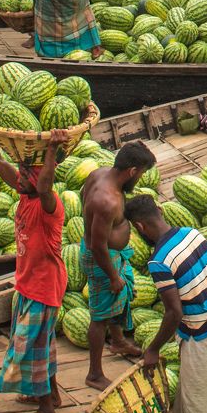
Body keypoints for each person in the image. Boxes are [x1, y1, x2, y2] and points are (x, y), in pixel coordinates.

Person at [125, 195, 207, 413]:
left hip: (206, 332)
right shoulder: (192, 233)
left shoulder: (159, 261)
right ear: (160, 211)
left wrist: (153, 349)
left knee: (204, 404)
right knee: (192, 390)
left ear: (139, 227)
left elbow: (174, 312)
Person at [0, 128, 69, 413]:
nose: (18, 178)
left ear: (36, 180)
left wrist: (51, 151)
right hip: (28, 283)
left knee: (33, 349)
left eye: (24, 174)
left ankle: (47, 412)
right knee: (42, 344)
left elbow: (47, 183)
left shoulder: (49, 206)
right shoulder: (25, 194)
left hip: (44, 286)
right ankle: (54, 397)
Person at [79, 141, 157, 390]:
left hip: (113, 255)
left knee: (118, 300)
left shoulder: (98, 174)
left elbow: (84, 203)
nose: (141, 177)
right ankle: (94, 373)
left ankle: (119, 340)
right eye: (142, 172)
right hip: (102, 259)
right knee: (100, 315)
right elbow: (97, 245)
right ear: (133, 171)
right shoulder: (108, 200)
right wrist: (113, 276)